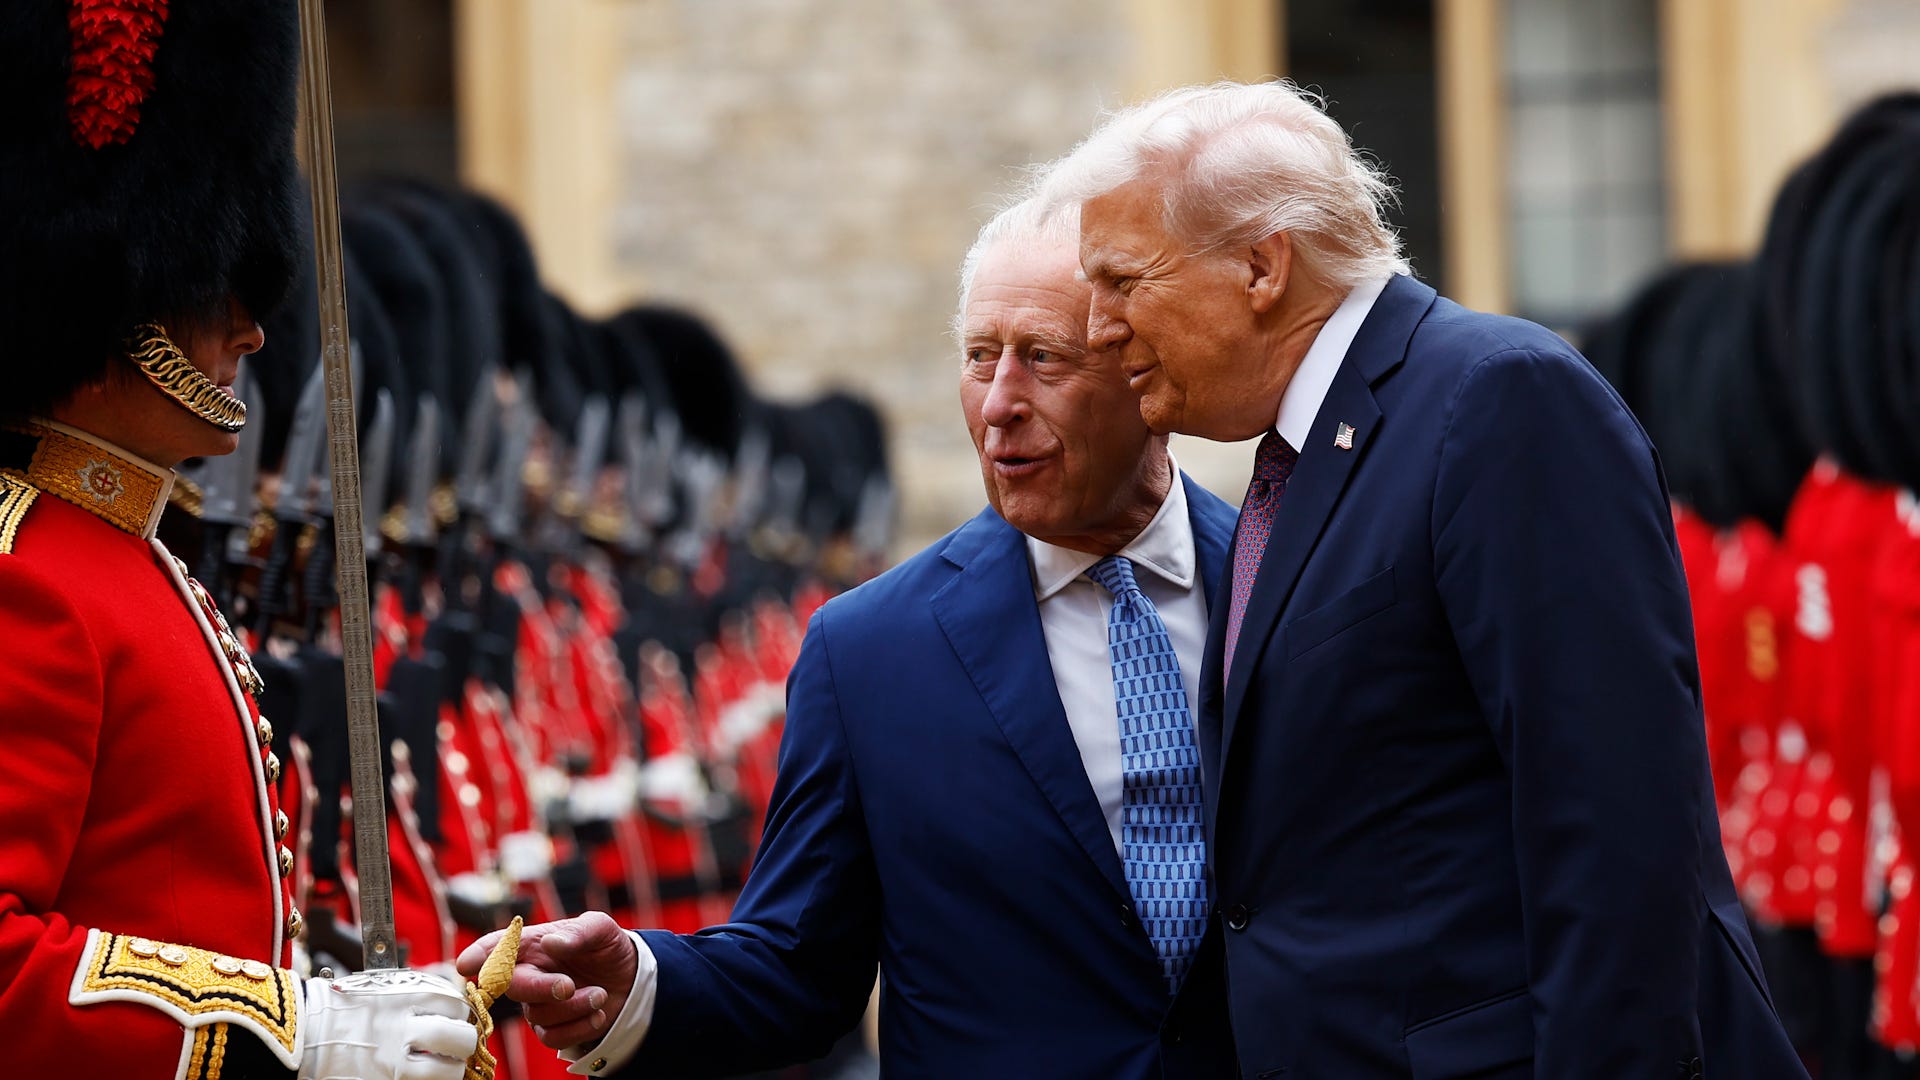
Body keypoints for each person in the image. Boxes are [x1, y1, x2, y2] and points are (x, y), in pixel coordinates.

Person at [1027, 79, 1808, 1080]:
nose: (1097, 328)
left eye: (1123, 282)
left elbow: (1615, 833)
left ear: (1263, 266)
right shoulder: (1308, 463)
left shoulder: (1498, 401)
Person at [458, 199, 1241, 1078]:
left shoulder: (1295, 582)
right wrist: (635, 980)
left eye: (1045, 358)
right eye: (980, 358)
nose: (1000, 403)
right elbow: (798, 964)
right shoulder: (871, 647)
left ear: (1148, 370)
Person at [0, 3, 478, 1077]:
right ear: (112, 289)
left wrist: (324, 1004)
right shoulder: (28, 579)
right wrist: (281, 1033)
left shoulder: (129, 557)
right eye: (212, 281)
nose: (252, 328)